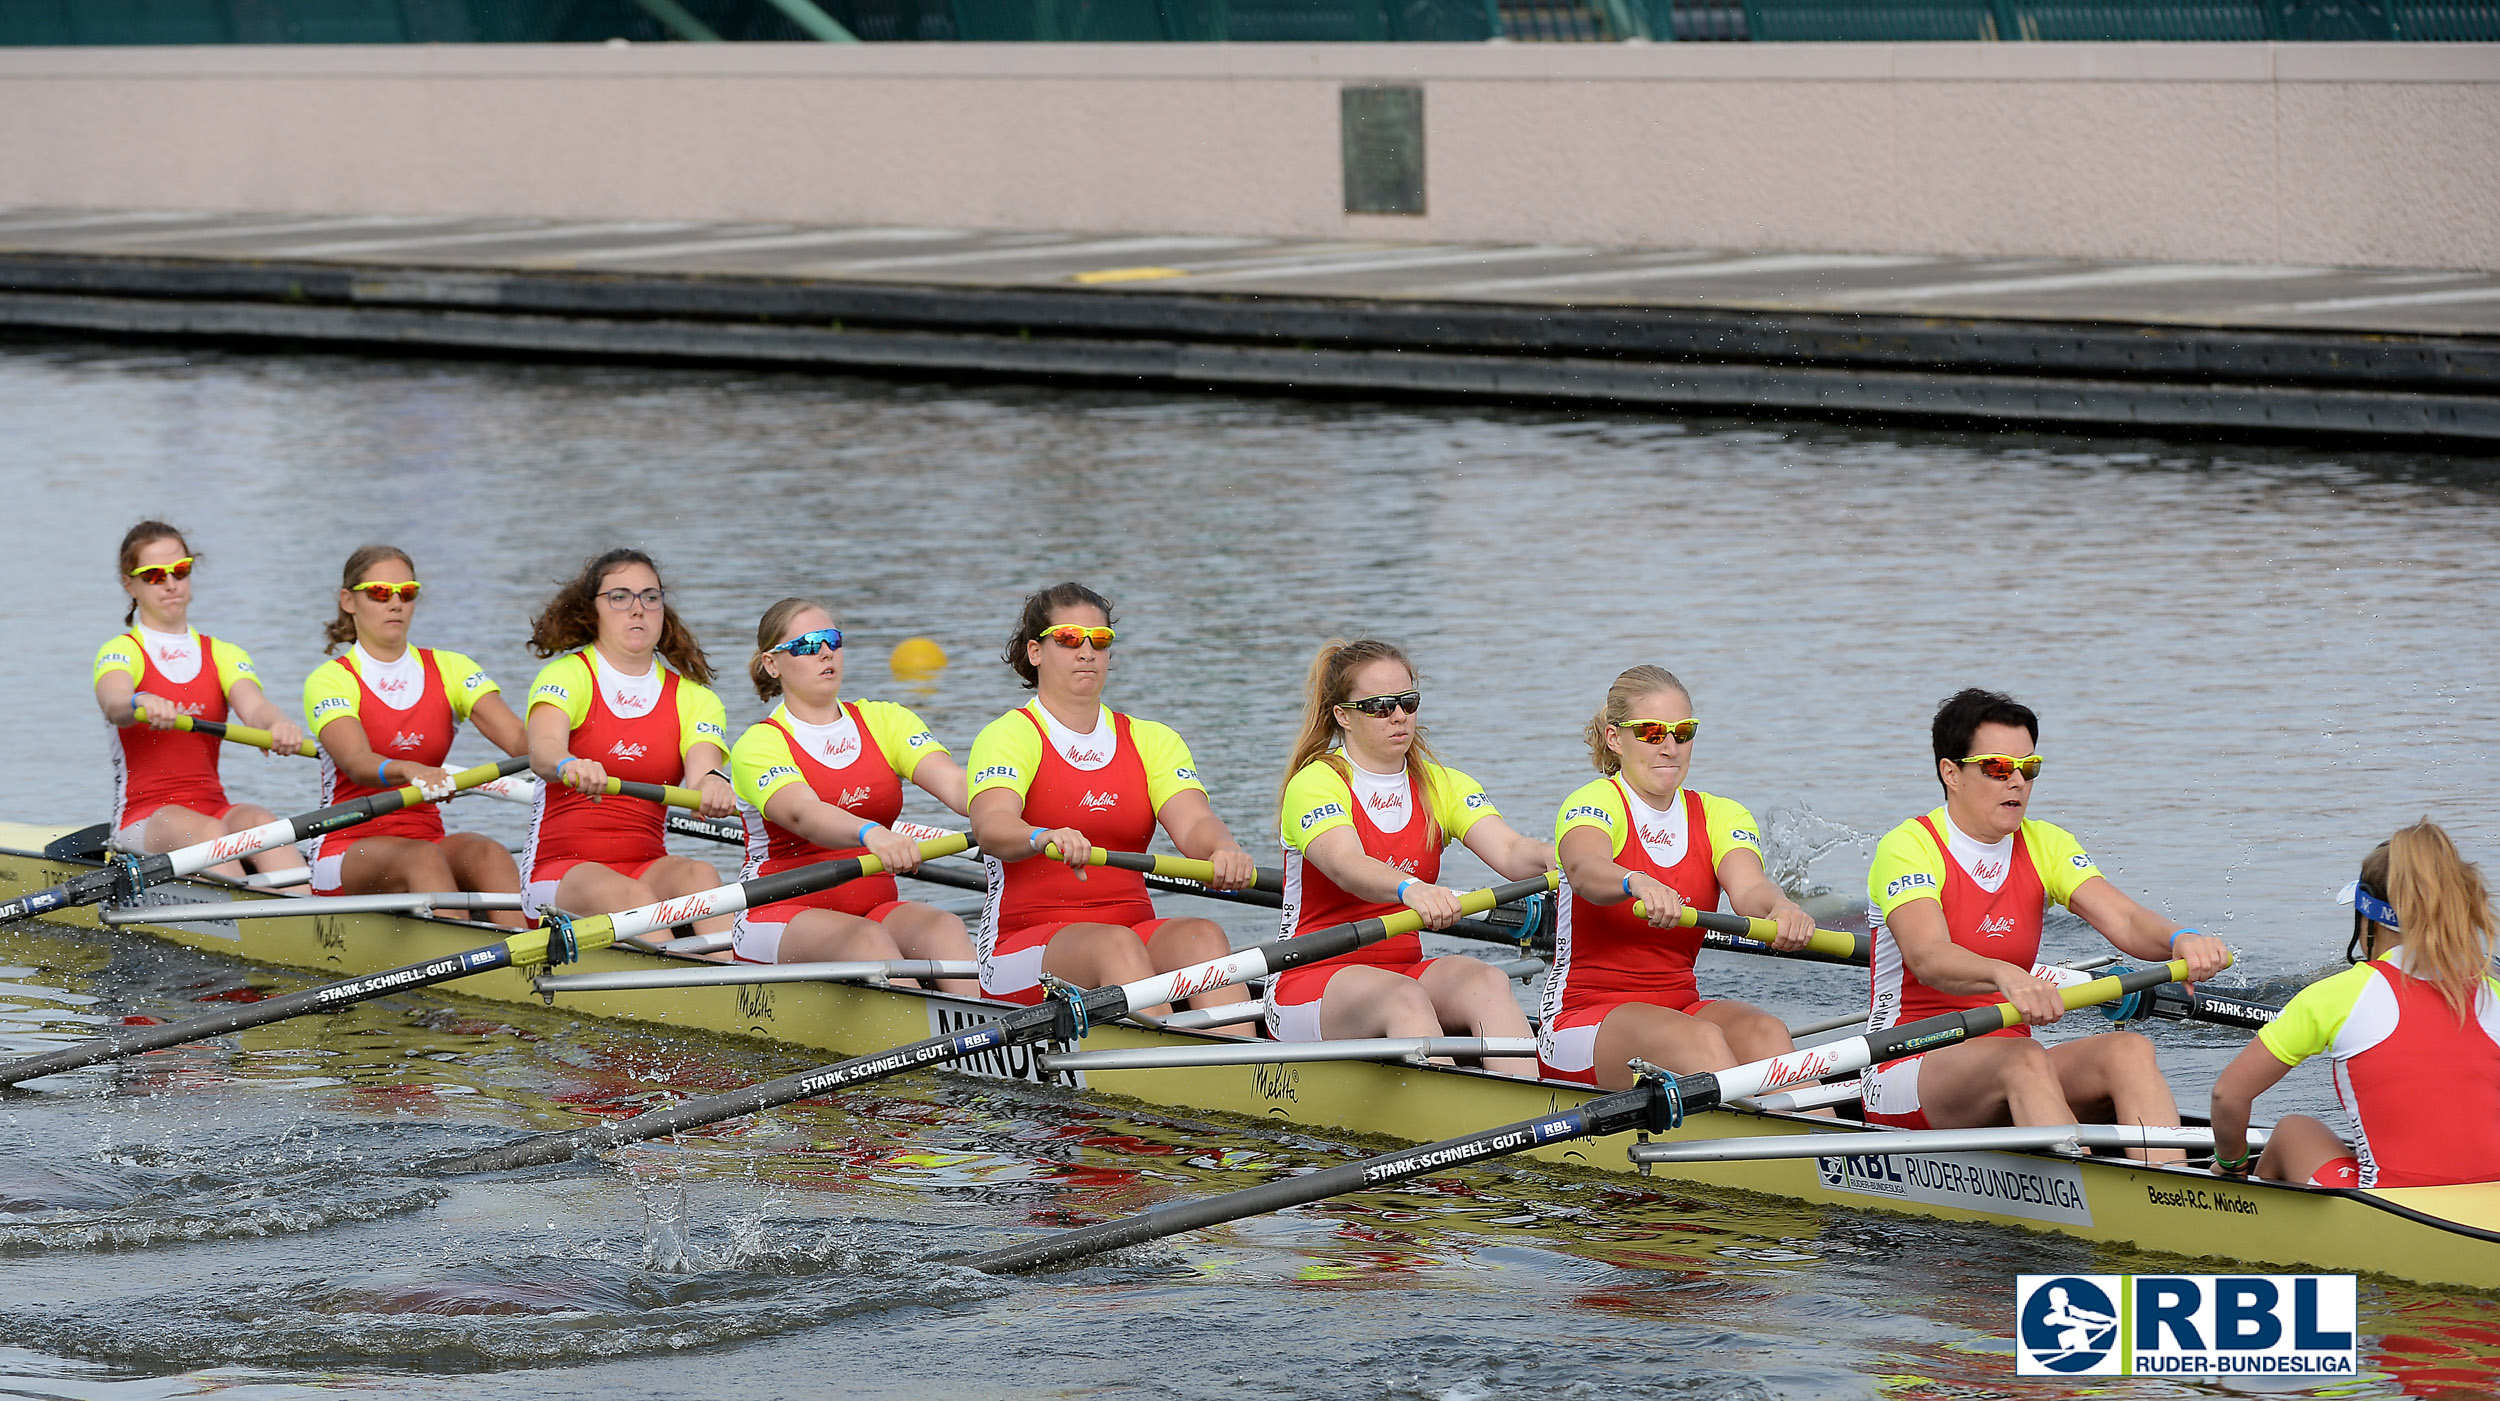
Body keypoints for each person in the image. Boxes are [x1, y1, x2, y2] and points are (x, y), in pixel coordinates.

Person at [1860, 688, 2231, 1160]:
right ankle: (2091, 1199)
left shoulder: (2045, 844)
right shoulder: (1909, 846)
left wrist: (2181, 939)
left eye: (2028, 767)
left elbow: (2127, 919)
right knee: (2024, 1058)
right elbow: (1927, 956)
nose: (2016, 781)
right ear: (1950, 773)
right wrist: (2003, 973)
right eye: (1997, 767)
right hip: (1906, 1065)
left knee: (2129, 1051)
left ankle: (2172, 1192)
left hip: (2012, 1064)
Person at [964, 582, 1255, 1016]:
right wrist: (1043, 836)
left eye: (1099, 640)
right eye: (1068, 639)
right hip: (1023, 946)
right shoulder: (1009, 735)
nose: (1086, 652)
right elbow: (992, 827)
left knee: (1204, 936)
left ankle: (1242, 1071)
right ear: (1035, 651)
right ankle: (1170, 1066)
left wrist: (1223, 848)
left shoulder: (1152, 739)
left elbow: (1194, 823)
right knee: (1114, 946)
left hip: (1129, 930)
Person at [1269, 639, 1550, 1076]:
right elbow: (1347, 865)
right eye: (1380, 706)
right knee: (1404, 996)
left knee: (1486, 980)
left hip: (1404, 968)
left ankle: (1536, 1113)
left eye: (1407, 701)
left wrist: (1568, 858)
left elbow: (1514, 853)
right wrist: (1411, 887)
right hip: (1309, 980)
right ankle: (1457, 1116)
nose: (1399, 716)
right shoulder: (1316, 783)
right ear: (1343, 715)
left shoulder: (1440, 784)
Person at [1541, 665, 1815, 1088]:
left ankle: (1822, 1150)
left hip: (1680, 1007)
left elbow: (1750, 890)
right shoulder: (1595, 801)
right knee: (1699, 1041)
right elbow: (1583, 869)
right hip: (1582, 1018)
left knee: (1768, 1033)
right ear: (1615, 738)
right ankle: (1768, 1145)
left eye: (1682, 732)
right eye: (1652, 732)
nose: (1670, 747)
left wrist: (1780, 908)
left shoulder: (1721, 814)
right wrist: (1635, 882)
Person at [2208, 822, 2500, 1189]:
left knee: (2293, 1129)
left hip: (2394, 1207)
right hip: (2489, 1205)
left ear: (2369, 918)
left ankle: (2248, 1210)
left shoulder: (2337, 995)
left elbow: (2228, 1095)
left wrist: (2230, 1163)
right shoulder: (2493, 993)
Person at [728, 598, 979, 994]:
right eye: (808, 645)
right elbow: (802, 813)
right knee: (868, 942)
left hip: (873, 908)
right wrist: (871, 834)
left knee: (943, 925)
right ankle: (929, 1037)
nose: (826, 652)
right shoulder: (759, 744)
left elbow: (957, 786)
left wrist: (1019, 809)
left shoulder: (886, 720)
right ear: (772, 663)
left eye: (832, 640)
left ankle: (989, 1043)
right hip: (777, 914)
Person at [300, 545, 528, 928]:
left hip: (426, 839)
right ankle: (470, 961)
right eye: (379, 592)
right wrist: (408, 769)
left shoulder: (452, 668)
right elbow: (356, 762)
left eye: (406, 593)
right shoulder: (330, 679)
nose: (395, 603)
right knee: (422, 858)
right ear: (348, 601)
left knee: (488, 852)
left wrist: (580, 751)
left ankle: (528, 954)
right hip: (345, 850)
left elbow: (523, 743)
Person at [520, 549, 736, 940]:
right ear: (593, 611)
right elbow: (543, 749)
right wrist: (569, 763)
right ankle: (688, 986)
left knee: (701, 875)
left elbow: (702, 771)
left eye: (650, 597)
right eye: (619, 597)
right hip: (560, 871)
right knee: (633, 896)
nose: (638, 609)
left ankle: (740, 988)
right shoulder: (569, 675)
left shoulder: (695, 699)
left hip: (646, 865)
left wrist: (714, 783)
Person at [91, 520, 308, 883]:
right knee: (208, 835)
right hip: (144, 819)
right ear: (130, 584)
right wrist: (140, 700)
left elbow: (255, 708)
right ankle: (255, 927)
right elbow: (114, 702)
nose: (171, 583)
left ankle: (316, 925)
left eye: (180, 570)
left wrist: (278, 725)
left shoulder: (222, 653)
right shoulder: (121, 651)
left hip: (213, 809)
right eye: (155, 575)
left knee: (266, 825)